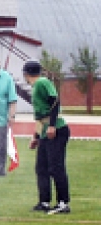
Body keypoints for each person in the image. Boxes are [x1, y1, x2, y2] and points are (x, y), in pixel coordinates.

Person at [23, 60, 71, 214]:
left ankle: (63, 203)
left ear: (26, 74)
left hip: (56, 129)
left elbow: (55, 102)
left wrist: (51, 126)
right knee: (41, 167)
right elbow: (40, 116)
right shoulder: (35, 87)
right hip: (44, 130)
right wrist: (35, 136)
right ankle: (44, 201)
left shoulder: (43, 82)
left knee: (56, 167)